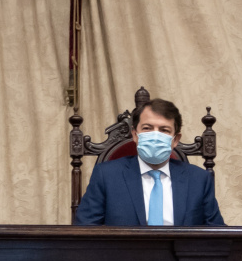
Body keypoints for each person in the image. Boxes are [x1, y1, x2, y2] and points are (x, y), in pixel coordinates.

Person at [72, 97, 225, 227]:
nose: (155, 135)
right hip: (122, 260)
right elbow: (84, 232)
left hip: (182, 260)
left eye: (164, 130)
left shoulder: (199, 179)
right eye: (147, 128)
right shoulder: (106, 175)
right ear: (135, 135)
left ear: (175, 140)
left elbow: (218, 237)